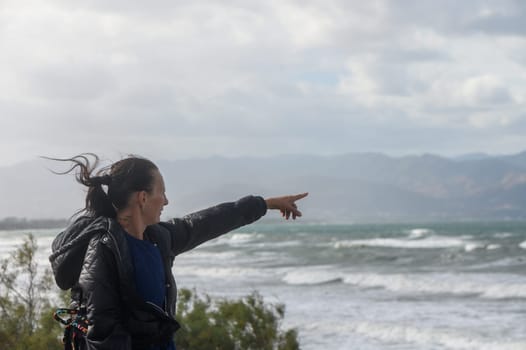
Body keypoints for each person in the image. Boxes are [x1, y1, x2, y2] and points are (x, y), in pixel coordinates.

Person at [48, 153, 308, 350]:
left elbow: (208, 221)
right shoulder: (104, 249)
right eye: (162, 192)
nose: (167, 201)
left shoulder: (159, 239)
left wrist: (265, 204)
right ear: (142, 198)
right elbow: (103, 334)